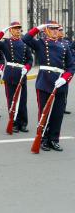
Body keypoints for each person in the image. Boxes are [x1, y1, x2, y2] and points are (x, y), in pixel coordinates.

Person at [23, 22, 74, 151]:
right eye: (52, 29)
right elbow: (26, 38)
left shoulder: (64, 45)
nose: (55, 31)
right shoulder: (40, 43)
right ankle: (43, 139)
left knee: (58, 114)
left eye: (57, 29)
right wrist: (38, 28)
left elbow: (71, 66)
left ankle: (54, 139)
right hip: (45, 82)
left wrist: (65, 78)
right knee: (44, 113)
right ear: (46, 30)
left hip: (60, 84)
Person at [0, 21, 33, 133]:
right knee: (12, 100)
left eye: (19, 28)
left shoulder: (24, 43)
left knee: (22, 100)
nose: (17, 30)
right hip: (10, 74)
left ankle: (23, 123)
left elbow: (30, 59)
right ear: (11, 30)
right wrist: (2, 31)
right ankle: (14, 122)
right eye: (15, 28)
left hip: (21, 74)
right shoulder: (6, 42)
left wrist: (27, 67)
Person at [58, 26, 72, 115]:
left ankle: (63, 107)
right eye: (60, 30)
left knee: (64, 89)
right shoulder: (53, 42)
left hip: (65, 70)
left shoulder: (66, 41)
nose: (61, 32)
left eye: (62, 30)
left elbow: (70, 53)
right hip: (57, 69)